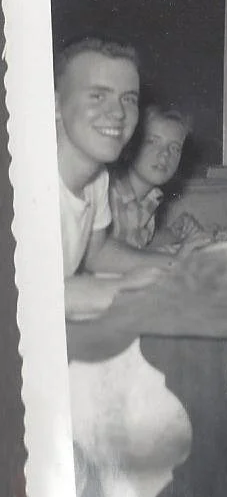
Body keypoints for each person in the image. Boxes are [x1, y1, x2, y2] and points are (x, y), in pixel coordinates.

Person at [55, 37, 184, 319]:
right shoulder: (23, 183)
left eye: (128, 99)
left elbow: (97, 252)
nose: (118, 113)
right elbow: (25, 295)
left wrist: (179, 265)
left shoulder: (97, 178)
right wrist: (123, 289)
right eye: (97, 96)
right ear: (55, 104)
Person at [109, 105, 208, 249]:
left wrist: (175, 233)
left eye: (174, 147)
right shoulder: (112, 197)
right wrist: (177, 259)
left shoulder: (150, 199)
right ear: (132, 144)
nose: (165, 153)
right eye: (153, 141)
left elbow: (138, 244)